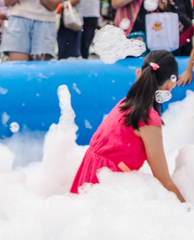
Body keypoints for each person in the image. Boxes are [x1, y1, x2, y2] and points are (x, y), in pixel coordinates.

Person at [69, 50, 185, 202]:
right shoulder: (148, 119)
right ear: (170, 85)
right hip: (106, 186)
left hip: (91, 176)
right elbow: (163, 179)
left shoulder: (125, 104)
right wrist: (190, 211)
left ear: (139, 73)